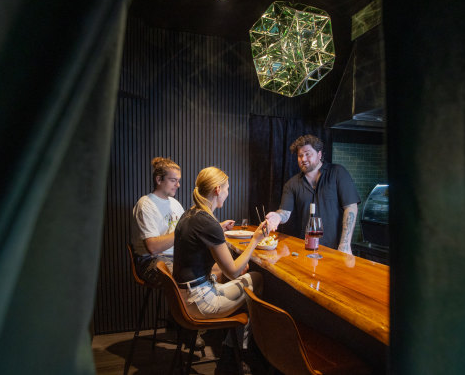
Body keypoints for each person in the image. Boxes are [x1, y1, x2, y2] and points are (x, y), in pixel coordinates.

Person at [173, 166, 265, 321]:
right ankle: (246, 343)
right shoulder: (208, 222)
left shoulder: (190, 214)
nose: (227, 193)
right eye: (227, 189)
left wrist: (219, 228)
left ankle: (232, 341)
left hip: (186, 296)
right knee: (257, 278)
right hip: (200, 302)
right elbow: (233, 272)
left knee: (242, 277)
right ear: (217, 189)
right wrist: (256, 239)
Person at [265, 135, 360, 254]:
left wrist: (345, 244)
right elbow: (285, 212)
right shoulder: (292, 184)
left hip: (335, 249)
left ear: (319, 155)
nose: (303, 159)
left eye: (307, 154)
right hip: (306, 249)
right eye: (300, 155)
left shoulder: (338, 172)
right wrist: (277, 216)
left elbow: (351, 207)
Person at [131, 157, 185, 285]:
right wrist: (182, 232)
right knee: (187, 277)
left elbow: (187, 231)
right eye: (173, 180)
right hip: (151, 261)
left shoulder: (175, 204)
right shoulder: (145, 204)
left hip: (175, 258)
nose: (178, 185)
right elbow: (153, 247)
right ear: (159, 179)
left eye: (178, 181)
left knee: (210, 266)